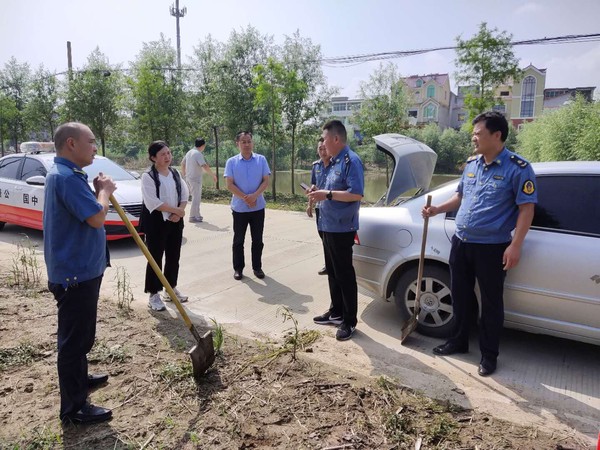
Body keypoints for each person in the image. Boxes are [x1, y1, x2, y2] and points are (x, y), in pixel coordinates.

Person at [422, 111, 537, 377]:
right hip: (461, 243)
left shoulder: (518, 168)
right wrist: (437, 209)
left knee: (491, 302)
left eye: (478, 133)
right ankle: (458, 341)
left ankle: (489, 355)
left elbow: (526, 210)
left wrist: (516, 245)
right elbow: (460, 197)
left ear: (497, 135)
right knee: (460, 296)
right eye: (473, 133)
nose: (473, 137)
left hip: (492, 247)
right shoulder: (472, 165)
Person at [43, 122, 116, 424]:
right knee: (73, 341)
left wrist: (98, 191)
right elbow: (97, 218)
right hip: (75, 273)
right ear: (71, 144)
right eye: (91, 141)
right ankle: (74, 408)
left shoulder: (68, 175)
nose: (95, 147)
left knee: (81, 336)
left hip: (80, 270)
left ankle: (80, 379)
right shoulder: (66, 178)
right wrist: (106, 192)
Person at [309, 120, 364, 341]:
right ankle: (336, 311)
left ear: (336, 139)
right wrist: (319, 192)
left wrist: (327, 194)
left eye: (324, 139)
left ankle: (349, 321)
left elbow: (356, 194)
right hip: (328, 225)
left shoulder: (352, 161)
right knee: (332, 272)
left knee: (344, 274)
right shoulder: (333, 162)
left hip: (342, 227)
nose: (323, 143)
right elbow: (327, 188)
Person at [140, 141, 190, 311]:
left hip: (175, 221)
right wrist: (175, 210)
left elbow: (184, 193)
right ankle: (153, 294)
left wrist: (179, 212)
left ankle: (171, 289)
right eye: (163, 154)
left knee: (173, 256)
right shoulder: (148, 176)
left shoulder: (175, 173)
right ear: (153, 158)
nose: (167, 157)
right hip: (156, 222)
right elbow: (152, 202)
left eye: (169, 153)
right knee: (155, 257)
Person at [224, 131, 271, 280]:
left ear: (253, 143)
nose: (246, 144)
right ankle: (238, 268)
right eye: (243, 141)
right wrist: (246, 198)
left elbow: (266, 181)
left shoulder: (261, 160)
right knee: (238, 240)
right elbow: (229, 184)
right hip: (239, 208)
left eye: (249, 141)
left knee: (257, 239)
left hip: (258, 207)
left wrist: (254, 196)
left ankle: (257, 267)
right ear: (237, 144)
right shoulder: (231, 162)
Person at [305, 137, 331, 276]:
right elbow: (313, 187)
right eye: (320, 149)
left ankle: (333, 263)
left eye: (325, 148)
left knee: (332, 238)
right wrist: (310, 205)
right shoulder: (316, 166)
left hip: (332, 208)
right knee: (323, 236)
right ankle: (328, 264)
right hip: (319, 208)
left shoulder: (336, 165)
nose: (323, 151)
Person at [181, 137, 217, 223]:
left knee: (195, 197)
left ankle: (197, 215)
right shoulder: (197, 154)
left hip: (189, 178)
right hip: (195, 179)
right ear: (203, 145)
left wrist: (184, 175)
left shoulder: (189, 152)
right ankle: (193, 216)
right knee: (196, 198)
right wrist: (213, 175)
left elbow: (182, 163)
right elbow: (204, 165)